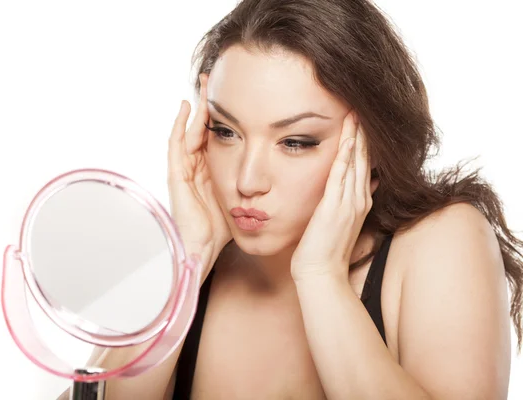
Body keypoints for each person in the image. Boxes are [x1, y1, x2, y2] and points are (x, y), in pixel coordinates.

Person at [58, 0, 523, 398]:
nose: (247, 179)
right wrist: (189, 259)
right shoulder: (192, 272)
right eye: (225, 131)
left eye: (296, 141)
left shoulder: (440, 240)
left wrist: (321, 278)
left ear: (372, 142)